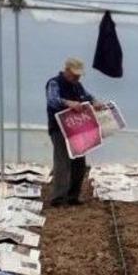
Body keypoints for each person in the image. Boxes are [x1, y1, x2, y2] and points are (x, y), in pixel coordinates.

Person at [45, 57, 105, 207]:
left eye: (79, 75)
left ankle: (73, 196)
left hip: (77, 129)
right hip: (59, 129)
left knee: (79, 162)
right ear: (66, 70)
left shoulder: (77, 85)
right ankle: (58, 199)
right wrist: (68, 103)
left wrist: (95, 102)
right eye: (74, 74)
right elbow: (52, 100)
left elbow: (88, 97)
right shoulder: (54, 83)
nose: (77, 77)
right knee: (62, 162)